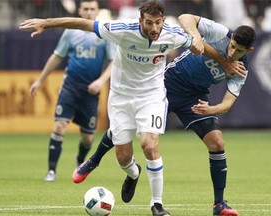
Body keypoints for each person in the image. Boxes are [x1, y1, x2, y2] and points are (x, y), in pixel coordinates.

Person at [20, 1, 208, 215]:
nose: (154, 29)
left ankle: (157, 204)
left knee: (149, 144)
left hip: (151, 97)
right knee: (123, 157)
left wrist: (218, 55)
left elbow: (200, 39)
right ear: (140, 21)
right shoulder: (122, 30)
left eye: (158, 23)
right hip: (120, 98)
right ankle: (133, 174)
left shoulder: (173, 34)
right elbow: (83, 24)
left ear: (163, 21)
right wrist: (47, 22)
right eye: (149, 23)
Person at [69, 14, 256, 216]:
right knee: (125, 127)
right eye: (232, 45)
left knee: (217, 143)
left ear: (249, 51)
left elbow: (227, 104)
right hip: (166, 83)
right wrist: (202, 42)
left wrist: (212, 109)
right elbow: (186, 18)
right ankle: (94, 161)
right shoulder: (220, 33)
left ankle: (219, 205)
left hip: (194, 97)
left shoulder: (241, 69)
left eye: (238, 50)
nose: (232, 51)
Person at [28, 0, 115, 182]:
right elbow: (57, 56)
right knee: (59, 126)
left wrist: (101, 81)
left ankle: (80, 163)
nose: (89, 12)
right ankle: (51, 171)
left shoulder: (103, 33)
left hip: (91, 92)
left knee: (87, 138)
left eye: (92, 9)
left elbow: (114, 62)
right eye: (86, 9)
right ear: (79, 11)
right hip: (70, 87)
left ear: (97, 11)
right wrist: (40, 80)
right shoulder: (71, 31)